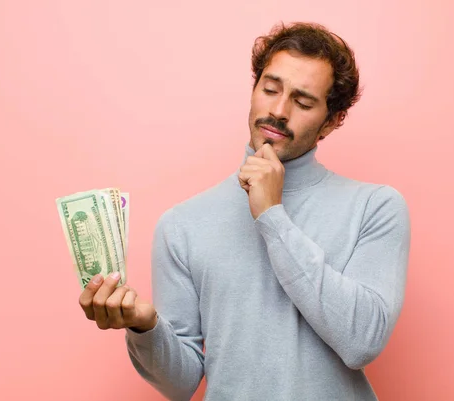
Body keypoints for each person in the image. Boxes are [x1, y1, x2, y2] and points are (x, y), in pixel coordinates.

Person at [78, 21, 411, 400]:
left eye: (303, 102)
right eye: (270, 89)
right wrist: (146, 328)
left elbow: (362, 341)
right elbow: (181, 383)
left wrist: (271, 215)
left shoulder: (376, 207)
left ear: (330, 122)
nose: (279, 110)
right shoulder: (182, 225)